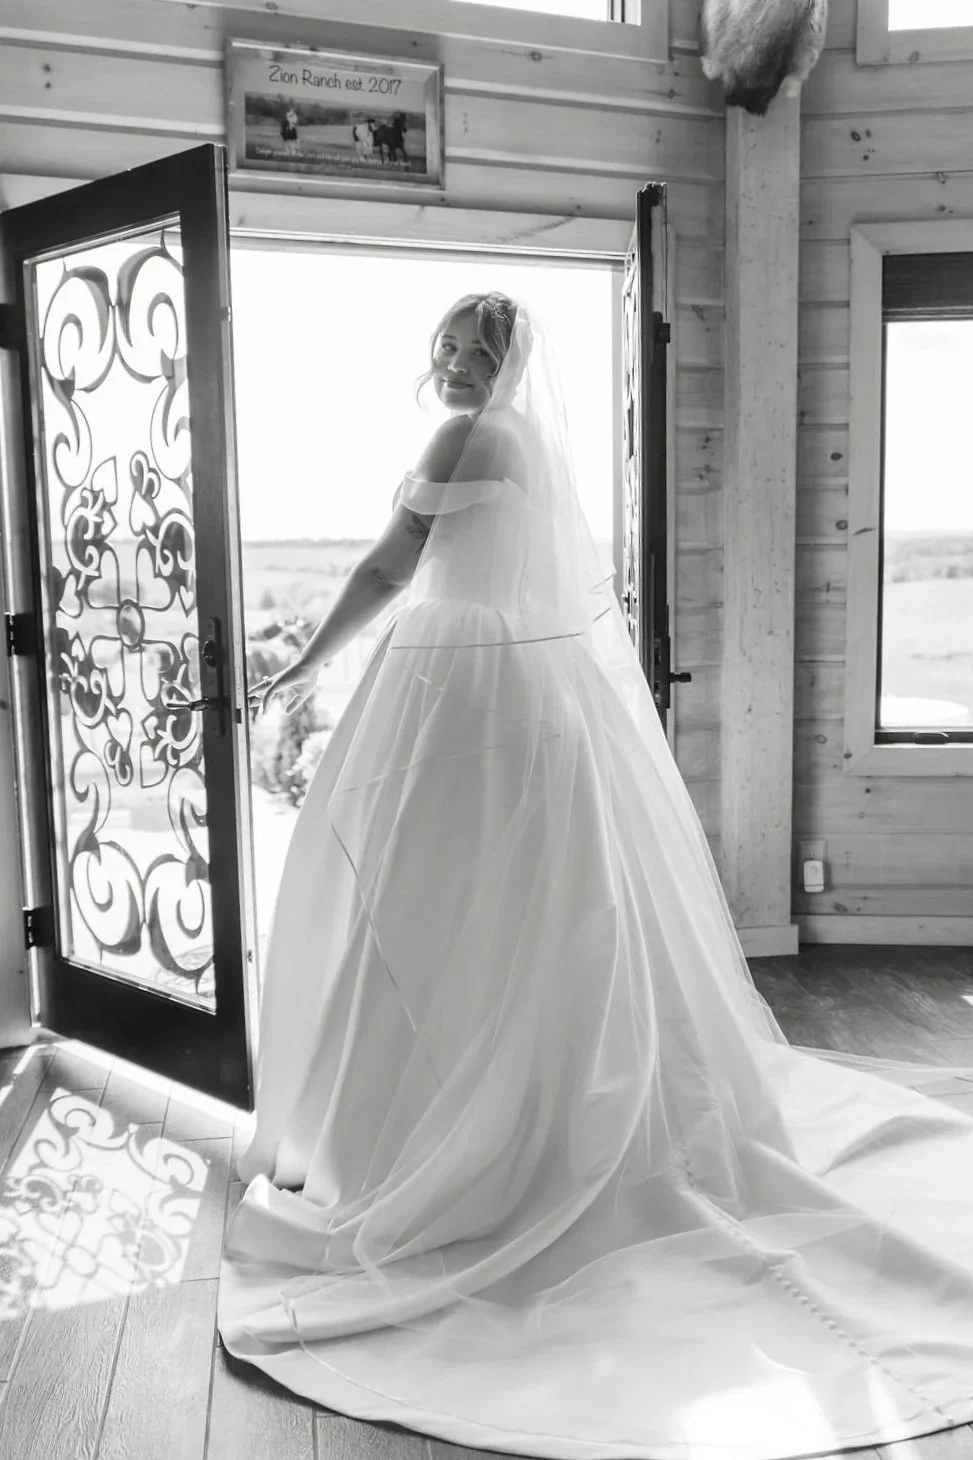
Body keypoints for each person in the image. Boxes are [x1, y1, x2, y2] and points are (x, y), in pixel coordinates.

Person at [218, 292, 973, 1460]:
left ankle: (440, 1141)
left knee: (441, 912)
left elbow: (386, 565)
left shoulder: (464, 437)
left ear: (507, 362)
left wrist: (306, 662)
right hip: (533, 699)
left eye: (475, 349)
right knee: (535, 917)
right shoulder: (534, 446)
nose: (454, 363)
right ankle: (555, 1112)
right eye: (445, 347)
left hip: (458, 695)